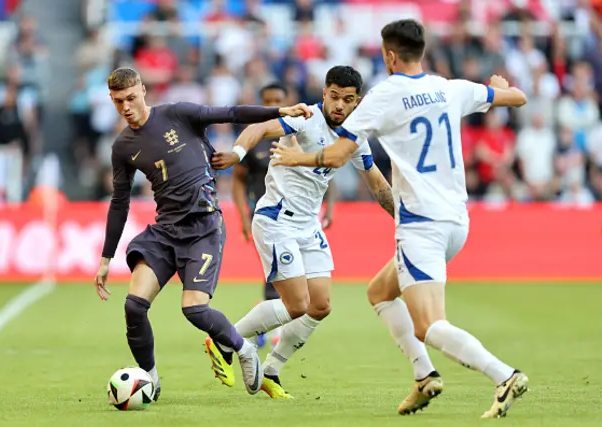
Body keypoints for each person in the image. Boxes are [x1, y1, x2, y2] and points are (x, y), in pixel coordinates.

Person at [270, 20, 529, 418]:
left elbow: (338, 155)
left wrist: (294, 157)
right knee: (379, 292)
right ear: (420, 51)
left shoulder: (384, 96)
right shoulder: (449, 87)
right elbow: (518, 97)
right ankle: (424, 376)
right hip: (457, 222)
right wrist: (500, 87)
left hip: (421, 226)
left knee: (429, 325)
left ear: (389, 55)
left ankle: (504, 374)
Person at [93, 67, 313, 399]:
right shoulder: (122, 147)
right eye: (118, 101)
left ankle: (243, 349)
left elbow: (232, 113)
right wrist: (106, 258)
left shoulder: (178, 114)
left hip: (203, 227)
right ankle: (150, 380)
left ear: (142, 91)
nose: (125, 107)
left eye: (130, 98)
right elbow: (119, 202)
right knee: (134, 306)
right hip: (165, 231)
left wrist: (280, 111)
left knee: (194, 309)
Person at [210, 66, 395, 398]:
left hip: (308, 225)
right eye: (334, 96)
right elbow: (260, 128)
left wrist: (405, 219)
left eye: (347, 100)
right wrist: (238, 154)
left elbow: (378, 184)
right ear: (324, 93)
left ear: (357, 102)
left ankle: (272, 370)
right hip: (276, 218)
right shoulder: (306, 117)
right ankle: (226, 341)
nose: (339, 105)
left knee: (320, 305)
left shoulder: (356, 136)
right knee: (296, 304)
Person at [232, 82, 336, 348]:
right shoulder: (259, 139)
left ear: (287, 99)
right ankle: (250, 333)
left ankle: (264, 335)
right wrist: (244, 217)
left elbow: (326, 169)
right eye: (267, 101)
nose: (273, 105)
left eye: (277, 100)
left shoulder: (300, 130)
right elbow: (239, 180)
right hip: (272, 215)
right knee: (284, 289)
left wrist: (330, 207)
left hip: (304, 220)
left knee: (308, 297)